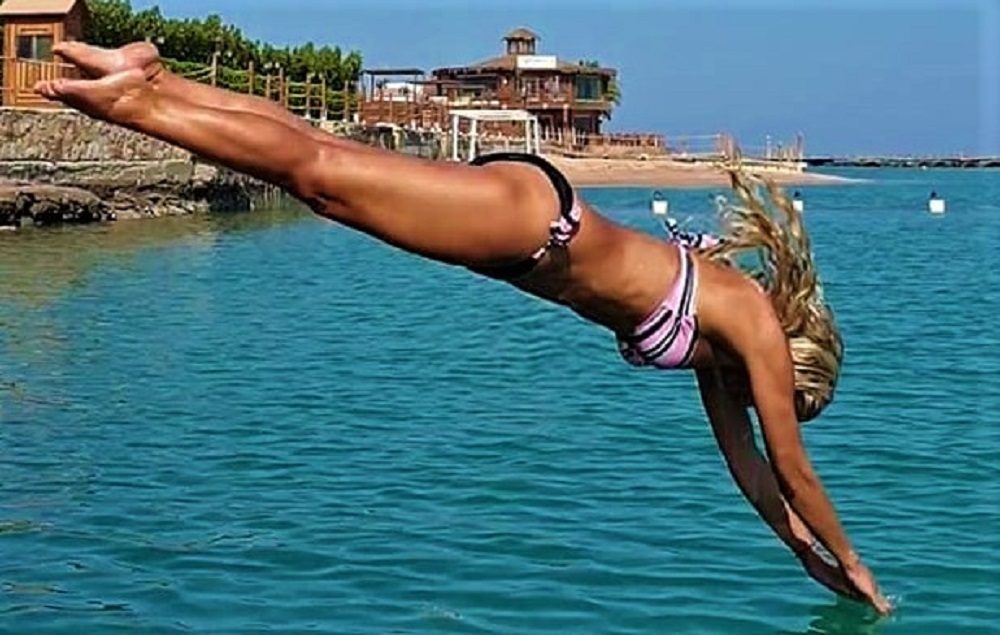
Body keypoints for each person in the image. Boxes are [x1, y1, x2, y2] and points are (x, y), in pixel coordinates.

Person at [36, 41, 891, 614]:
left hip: (522, 234)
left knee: (325, 167)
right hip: (532, 224)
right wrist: (856, 563)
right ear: (796, 361)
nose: (764, 401)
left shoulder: (720, 347)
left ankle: (154, 78)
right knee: (322, 176)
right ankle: (133, 105)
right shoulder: (754, 321)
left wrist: (803, 555)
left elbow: (750, 471)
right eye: (784, 398)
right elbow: (790, 467)